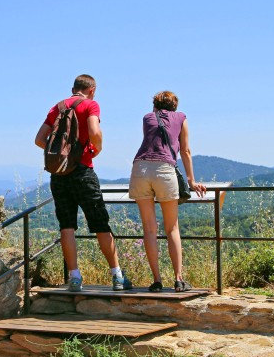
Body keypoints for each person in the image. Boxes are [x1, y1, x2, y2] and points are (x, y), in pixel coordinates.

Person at [34, 74, 132, 292]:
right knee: (99, 222)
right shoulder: (91, 105)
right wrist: (94, 150)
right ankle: (117, 276)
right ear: (92, 89)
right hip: (83, 171)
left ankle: (74, 278)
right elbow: (95, 132)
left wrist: (63, 156)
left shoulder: (57, 107)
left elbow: (39, 139)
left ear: (73, 88)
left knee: (66, 225)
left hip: (59, 174)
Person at [129, 91, 207, 292]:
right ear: (175, 105)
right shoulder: (181, 117)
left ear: (155, 105)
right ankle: (179, 279)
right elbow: (185, 150)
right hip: (164, 169)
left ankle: (156, 281)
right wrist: (192, 180)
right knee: (172, 227)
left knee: (149, 228)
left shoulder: (147, 117)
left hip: (140, 168)